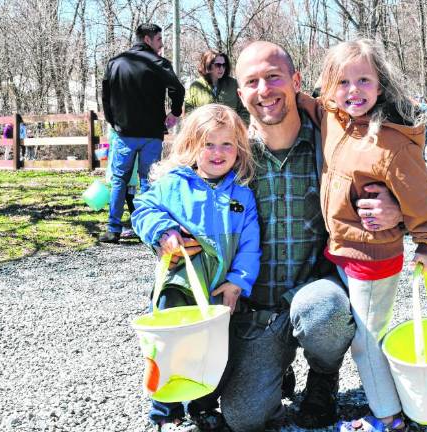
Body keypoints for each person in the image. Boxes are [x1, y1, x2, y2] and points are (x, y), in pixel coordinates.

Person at [166, 41, 404, 432]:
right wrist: (162, 232)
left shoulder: (333, 141)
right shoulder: (229, 153)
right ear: (240, 93)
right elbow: (165, 190)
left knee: (323, 312)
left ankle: (323, 377)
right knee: (246, 420)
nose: (265, 90)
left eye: (273, 77)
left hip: (316, 290)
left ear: (295, 80)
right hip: (254, 309)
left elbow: (400, 172)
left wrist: (397, 211)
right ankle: (275, 368)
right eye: (253, 82)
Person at [303, 38, 427, 431]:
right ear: (329, 87)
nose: (354, 91)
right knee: (368, 333)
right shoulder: (333, 118)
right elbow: (309, 104)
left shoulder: (392, 142)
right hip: (342, 251)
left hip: (374, 258)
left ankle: (388, 417)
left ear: (380, 85)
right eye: (343, 82)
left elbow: (420, 198)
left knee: (366, 340)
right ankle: (392, 400)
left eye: (364, 81)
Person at [131, 104, 261, 431]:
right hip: (178, 286)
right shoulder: (173, 184)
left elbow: (250, 244)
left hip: (217, 290)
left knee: (213, 350)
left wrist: (237, 282)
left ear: (239, 148)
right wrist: (163, 233)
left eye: (227, 144)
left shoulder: (241, 195)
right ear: (191, 145)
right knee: (170, 347)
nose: (218, 153)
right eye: (208, 144)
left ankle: (202, 404)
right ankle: (165, 408)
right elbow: (143, 210)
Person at [100, 23, 185, 243]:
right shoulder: (159, 63)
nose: (162, 44)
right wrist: (174, 112)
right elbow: (178, 88)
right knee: (148, 180)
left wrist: (113, 121)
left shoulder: (115, 63)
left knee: (119, 180)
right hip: (151, 134)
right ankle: (148, 229)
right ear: (147, 39)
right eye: (159, 39)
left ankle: (113, 229)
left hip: (124, 133)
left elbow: (106, 98)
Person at [185, 50, 249, 123]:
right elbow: (188, 113)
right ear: (207, 65)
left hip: (231, 132)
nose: (221, 68)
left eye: (224, 65)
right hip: (204, 133)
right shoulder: (195, 87)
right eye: (218, 65)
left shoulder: (234, 84)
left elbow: (245, 108)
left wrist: (237, 127)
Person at [105, 128, 139, 238]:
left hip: (121, 173)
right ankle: (137, 225)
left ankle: (115, 228)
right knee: (130, 198)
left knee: (128, 198)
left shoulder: (117, 137)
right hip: (130, 175)